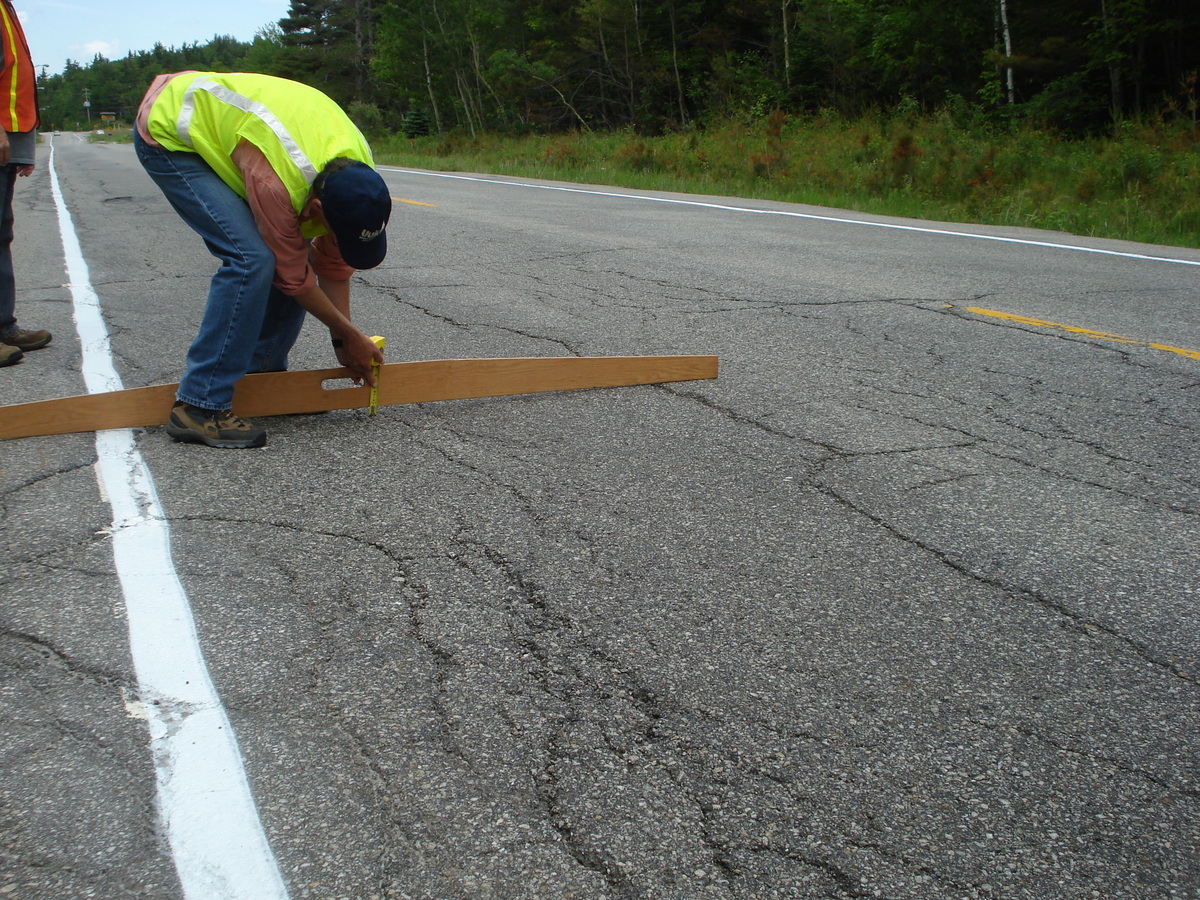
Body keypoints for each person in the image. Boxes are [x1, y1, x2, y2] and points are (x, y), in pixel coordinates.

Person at [134, 71, 390, 448]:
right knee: (250, 259)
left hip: (250, 137)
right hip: (170, 129)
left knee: (284, 254)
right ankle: (198, 405)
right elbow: (294, 279)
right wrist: (352, 337)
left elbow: (332, 265)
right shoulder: (277, 182)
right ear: (316, 208)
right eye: (334, 232)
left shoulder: (355, 180)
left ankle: (265, 383)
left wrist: (343, 340)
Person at [0, 0, 52, 368]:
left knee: (1, 233)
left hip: (9, 137)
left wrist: (24, 148)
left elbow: (18, 77)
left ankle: (3, 325)